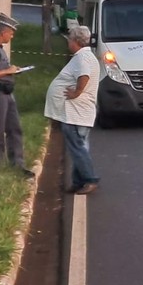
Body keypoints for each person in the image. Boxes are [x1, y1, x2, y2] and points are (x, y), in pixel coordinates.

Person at [45, 26, 101, 195]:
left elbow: (84, 76)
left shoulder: (82, 58)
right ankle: (79, 181)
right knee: (79, 147)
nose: (68, 42)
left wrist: (77, 92)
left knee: (77, 147)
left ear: (76, 41)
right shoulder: (86, 56)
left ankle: (90, 179)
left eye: (69, 39)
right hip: (79, 112)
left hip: (75, 113)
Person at [0, 13, 33, 178]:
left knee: (15, 128)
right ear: (3, 32)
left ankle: (17, 164)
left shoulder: (0, 49)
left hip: (7, 93)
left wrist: (13, 71)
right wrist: (8, 71)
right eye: (11, 33)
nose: (12, 36)